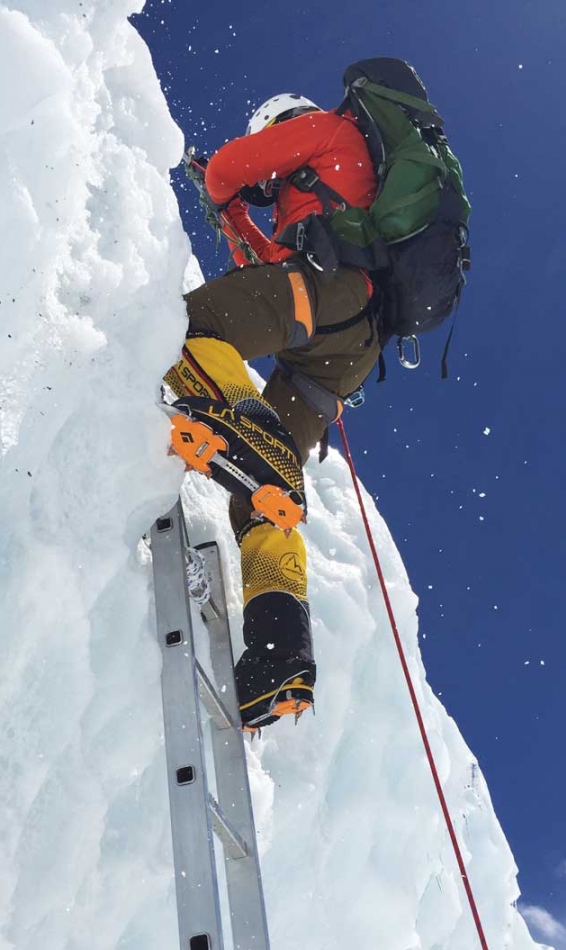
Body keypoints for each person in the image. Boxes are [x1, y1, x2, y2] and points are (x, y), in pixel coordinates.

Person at [164, 93, 380, 730]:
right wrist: (235, 218)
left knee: (182, 325)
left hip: (330, 298)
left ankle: (246, 431)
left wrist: (221, 185)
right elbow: (267, 270)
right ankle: (279, 659)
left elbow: (230, 167)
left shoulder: (327, 131)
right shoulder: (332, 194)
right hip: (342, 351)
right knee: (262, 494)